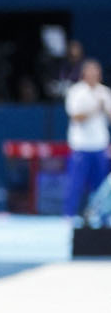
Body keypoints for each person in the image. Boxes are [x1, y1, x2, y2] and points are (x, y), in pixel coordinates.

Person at [64, 60, 111, 217]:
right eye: (90, 71)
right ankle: (69, 215)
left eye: (96, 71)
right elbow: (76, 117)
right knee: (75, 184)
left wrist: (105, 109)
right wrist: (95, 108)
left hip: (100, 145)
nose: (93, 74)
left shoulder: (105, 92)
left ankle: (101, 217)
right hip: (81, 146)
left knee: (101, 185)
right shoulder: (76, 92)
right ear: (84, 74)